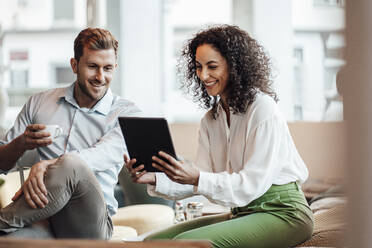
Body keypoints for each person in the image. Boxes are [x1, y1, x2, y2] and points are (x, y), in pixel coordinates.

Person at [125, 25, 313, 248]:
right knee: (152, 242)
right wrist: (156, 178)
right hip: (243, 212)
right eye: (198, 67)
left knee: (184, 244)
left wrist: (197, 177)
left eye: (212, 66)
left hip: (285, 213)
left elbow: (249, 185)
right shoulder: (210, 120)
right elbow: (203, 180)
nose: (203, 75)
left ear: (235, 67)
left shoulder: (263, 109)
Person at [0, 27, 141, 239]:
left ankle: (3, 220)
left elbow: (96, 157)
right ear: (74, 65)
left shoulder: (128, 114)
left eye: (108, 68)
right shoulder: (39, 103)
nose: (100, 77)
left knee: (72, 164)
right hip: (42, 217)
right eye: (92, 66)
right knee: (9, 242)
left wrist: (45, 164)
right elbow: (1, 164)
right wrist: (21, 143)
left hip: (90, 224)